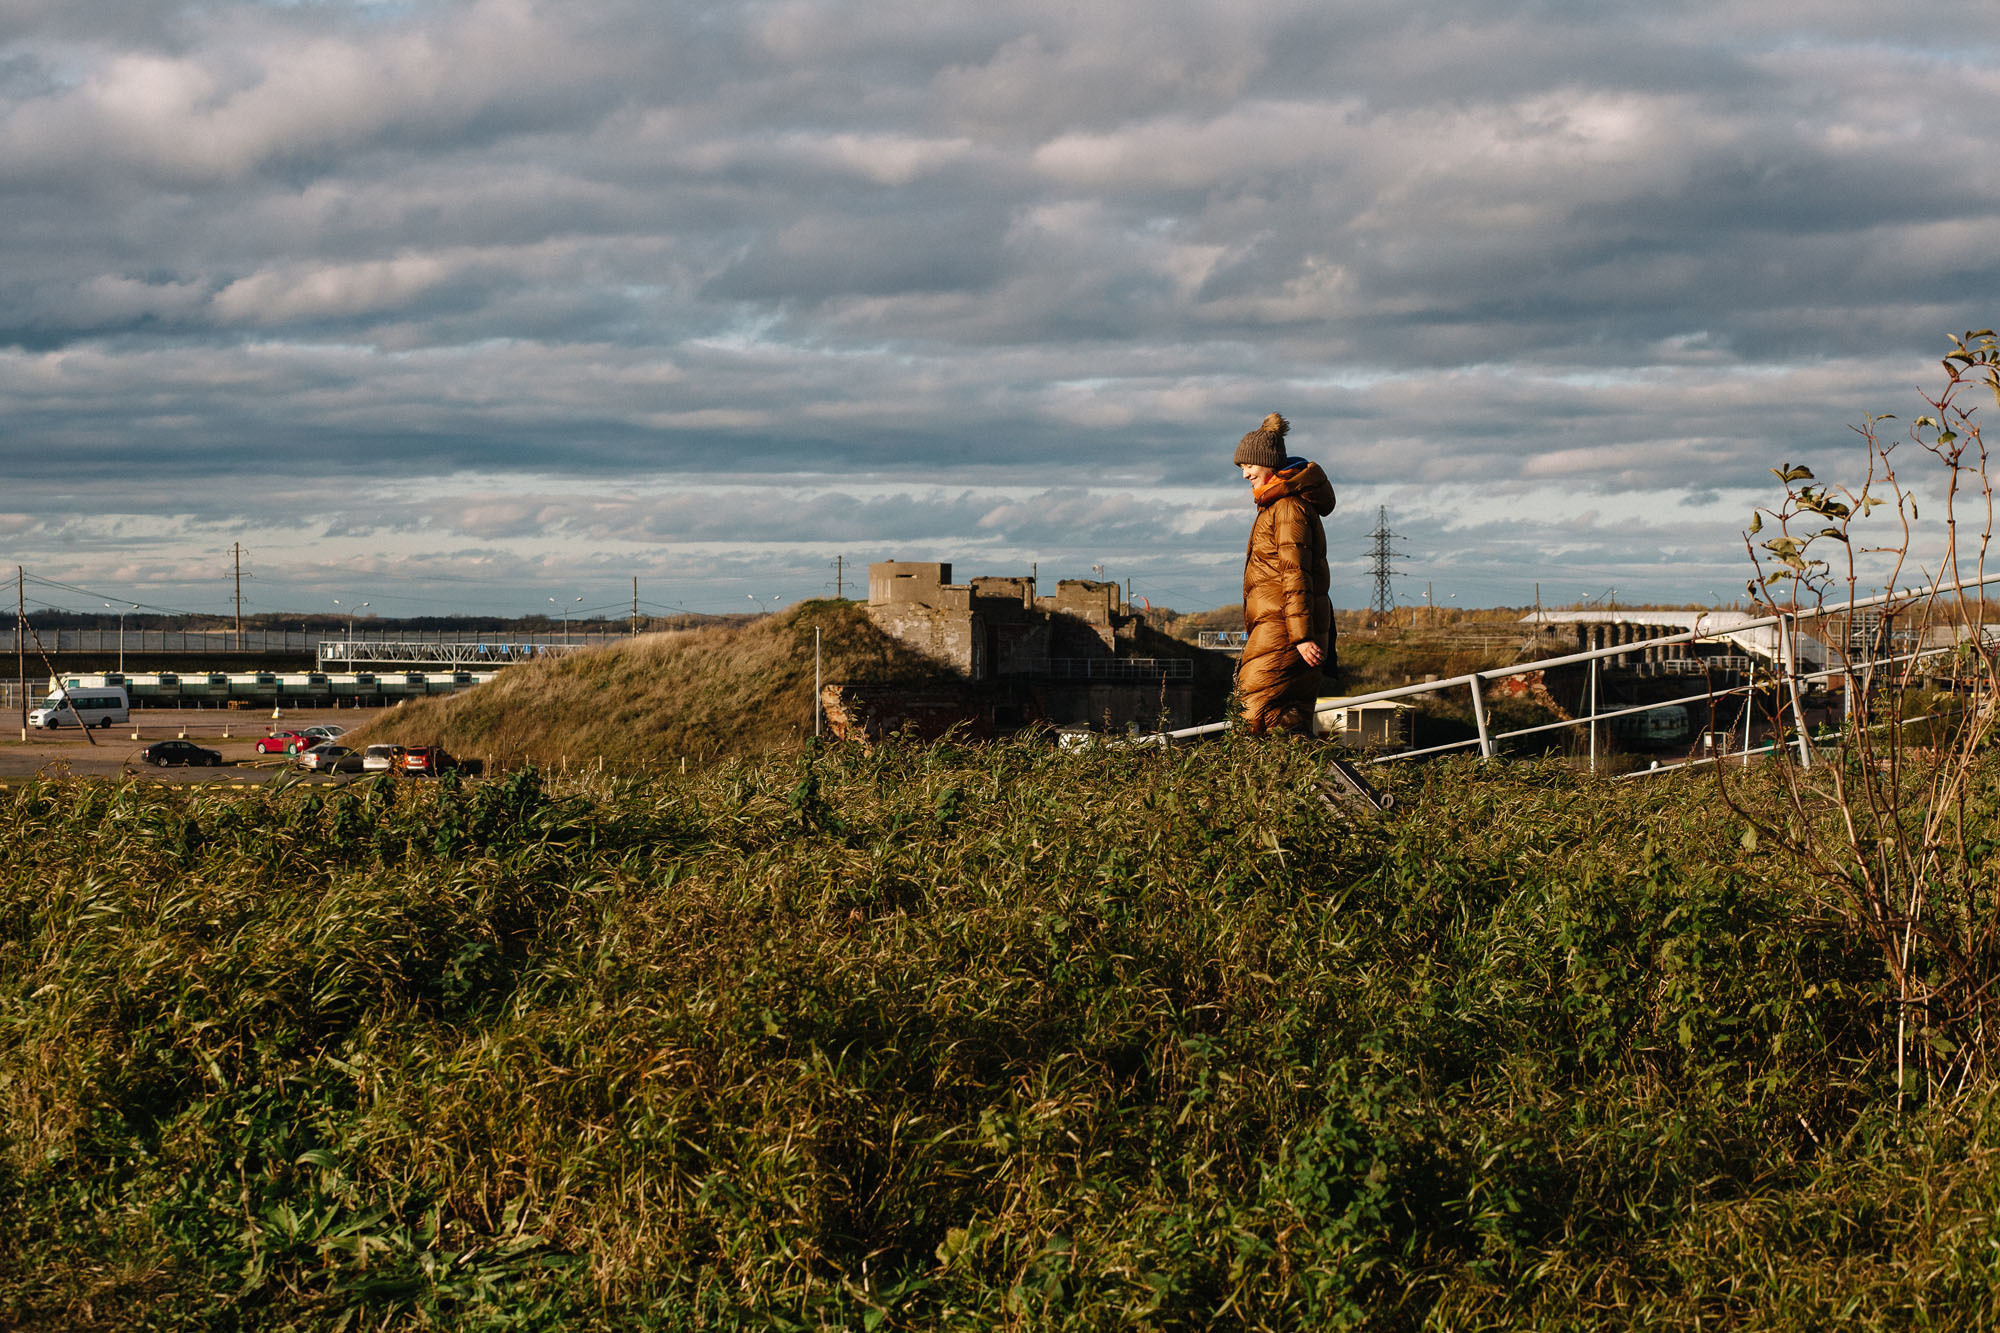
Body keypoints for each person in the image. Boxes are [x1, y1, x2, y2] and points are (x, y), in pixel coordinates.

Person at [1233, 412, 1335, 734]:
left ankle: (1249, 782)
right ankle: (1297, 782)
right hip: (1288, 627)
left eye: (1249, 466)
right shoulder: (1279, 504)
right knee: (1288, 720)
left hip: (1283, 629)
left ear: (1269, 463)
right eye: (1242, 468)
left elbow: (1296, 573)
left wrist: (1301, 636)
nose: (1246, 474)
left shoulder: (1287, 507)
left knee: (1249, 712)